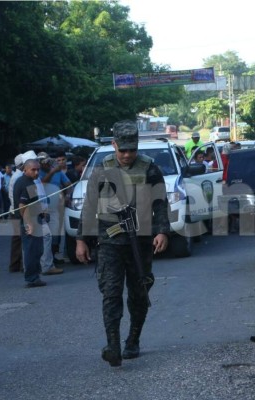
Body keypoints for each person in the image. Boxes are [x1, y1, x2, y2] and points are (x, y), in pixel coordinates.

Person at [76, 120, 170, 367]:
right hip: (109, 241)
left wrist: (162, 231)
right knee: (111, 293)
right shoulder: (102, 169)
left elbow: (160, 203)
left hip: (140, 242)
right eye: (123, 150)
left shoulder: (149, 168)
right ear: (113, 145)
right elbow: (89, 207)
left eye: (132, 150)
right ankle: (113, 345)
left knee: (139, 294)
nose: (127, 155)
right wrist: (81, 240)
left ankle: (133, 340)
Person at [13, 158, 46, 288]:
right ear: (25, 169)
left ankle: (35, 276)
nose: (36, 172)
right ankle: (32, 278)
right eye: (33, 170)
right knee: (31, 250)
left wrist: (41, 212)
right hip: (29, 222)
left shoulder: (30, 181)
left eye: (38, 169)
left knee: (37, 250)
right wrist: (29, 224)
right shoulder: (25, 183)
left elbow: (33, 202)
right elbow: (22, 205)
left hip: (34, 219)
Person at [38, 151, 71, 266]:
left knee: (56, 233)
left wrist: (67, 195)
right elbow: (41, 184)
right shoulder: (39, 172)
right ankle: (45, 260)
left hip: (57, 207)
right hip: (43, 208)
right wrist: (52, 172)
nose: (46, 165)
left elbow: (68, 184)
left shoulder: (57, 171)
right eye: (44, 164)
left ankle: (53, 256)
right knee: (45, 235)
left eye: (48, 163)